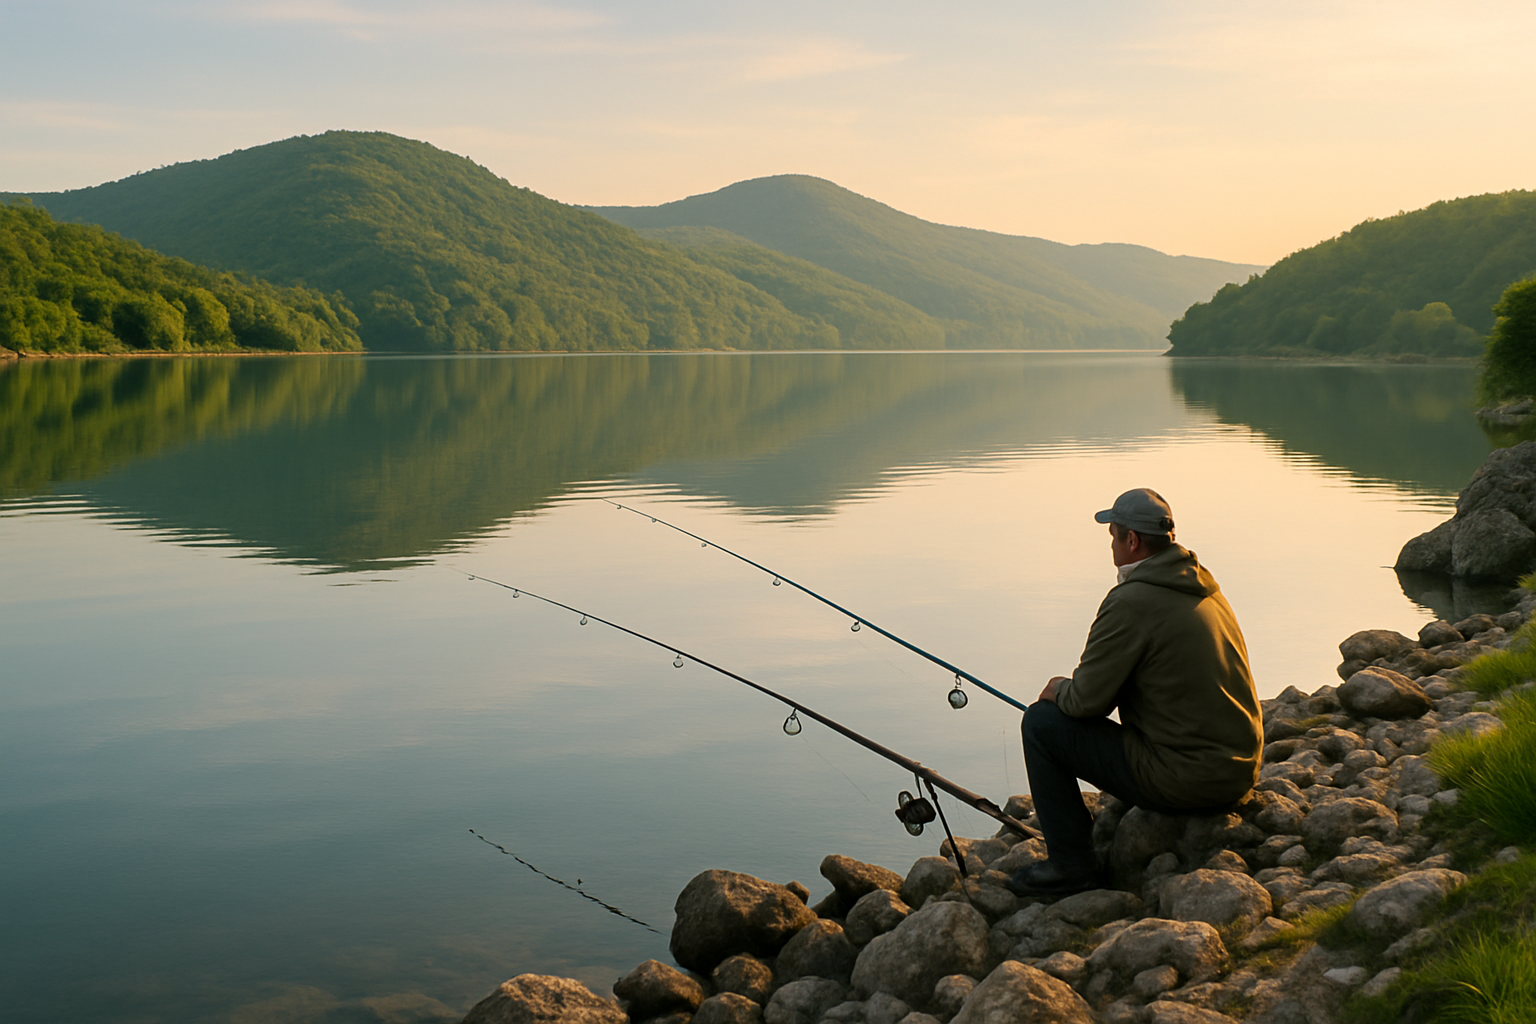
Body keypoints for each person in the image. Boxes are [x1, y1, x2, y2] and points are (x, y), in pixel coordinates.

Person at [1006, 488, 1263, 897]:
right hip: (1237, 769)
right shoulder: (1203, 587)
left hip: (1190, 780)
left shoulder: (1130, 602)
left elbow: (1086, 702)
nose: (1110, 545)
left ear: (1132, 541)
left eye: (1112, 536)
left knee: (1041, 724)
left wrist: (1058, 688)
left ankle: (1072, 867)